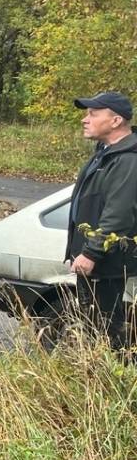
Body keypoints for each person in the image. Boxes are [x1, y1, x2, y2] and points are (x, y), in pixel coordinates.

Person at [65, 91, 137, 351]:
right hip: (94, 263)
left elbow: (119, 214)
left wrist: (91, 252)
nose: (85, 119)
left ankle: (109, 380)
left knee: (107, 330)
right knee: (92, 326)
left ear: (116, 121)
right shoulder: (105, 154)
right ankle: (96, 378)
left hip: (108, 264)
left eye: (93, 114)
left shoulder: (128, 160)